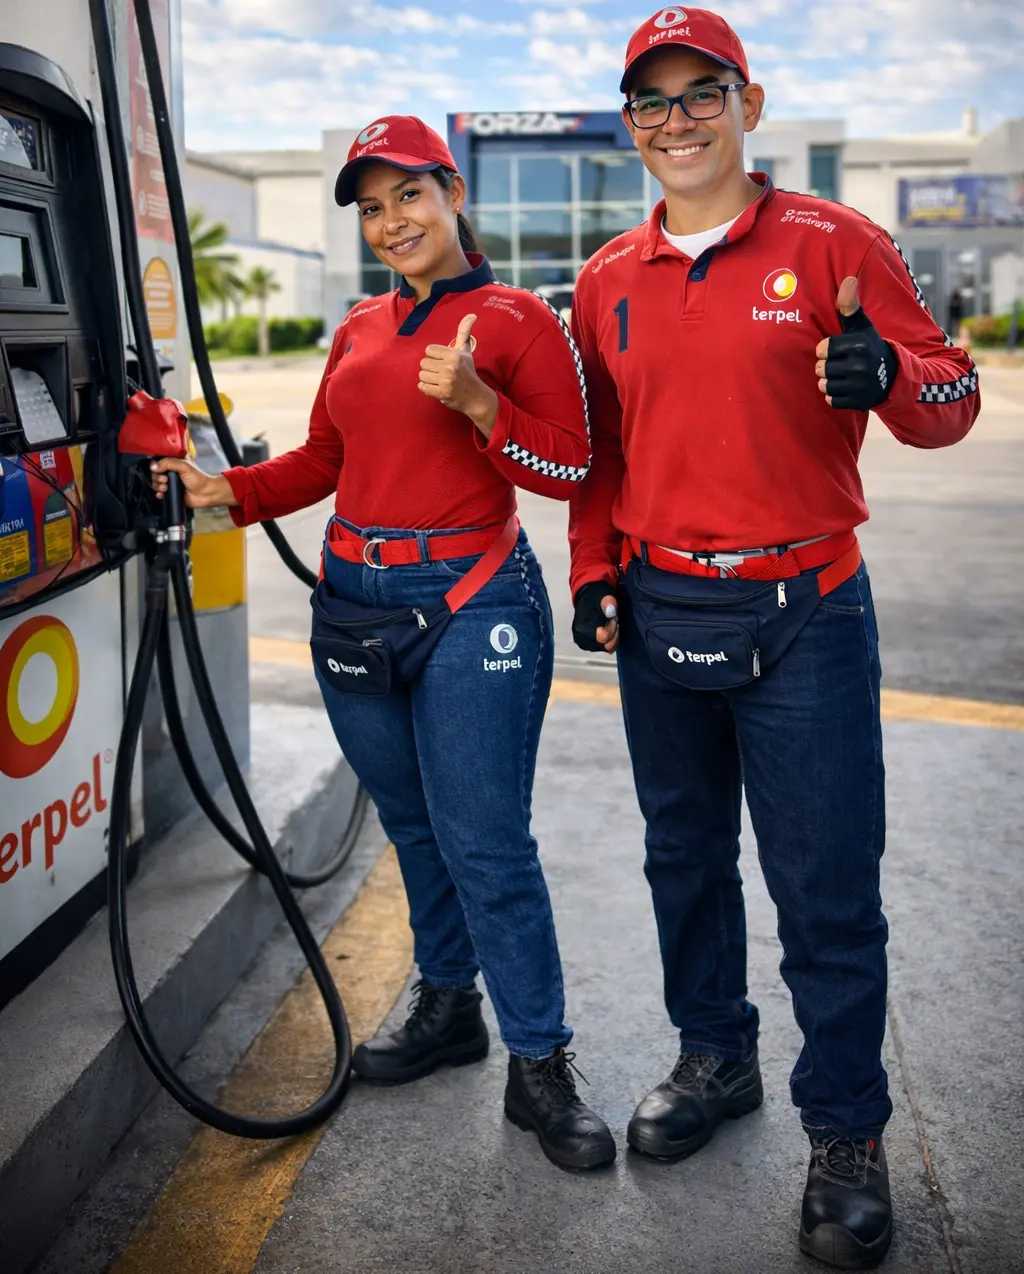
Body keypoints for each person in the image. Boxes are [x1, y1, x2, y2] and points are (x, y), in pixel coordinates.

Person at [568, 8, 980, 1266]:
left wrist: (887, 374)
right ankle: (714, 1054)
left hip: (807, 610)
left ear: (748, 104)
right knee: (683, 858)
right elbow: (601, 450)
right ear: (630, 125)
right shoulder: (605, 277)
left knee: (825, 887)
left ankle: (846, 1130)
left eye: (702, 93)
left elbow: (950, 395)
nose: (678, 120)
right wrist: (592, 567)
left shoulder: (835, 241)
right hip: (660, 608)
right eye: (653, 101)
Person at [154, 115, 616, 1173]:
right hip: (354, 602)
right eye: (371, 206)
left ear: (453, 193)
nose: (391, 220)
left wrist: (482, 402)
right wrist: (225, 492)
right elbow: (324, 457)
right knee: (412, 825)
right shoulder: (360, 325)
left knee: (485, 839)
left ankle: (540, 1060)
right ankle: (450, 1007)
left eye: (408, 194)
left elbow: (571, 466)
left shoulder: (517, 319)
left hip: (472, 601)